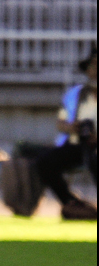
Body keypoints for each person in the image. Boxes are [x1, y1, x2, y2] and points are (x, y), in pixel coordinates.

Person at [35, 42, 97, 220]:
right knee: (45, 161)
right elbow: (61, 121)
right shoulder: (75, 94)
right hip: (77, 143)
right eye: (93, 65)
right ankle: (71, 203)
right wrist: (71, 127)